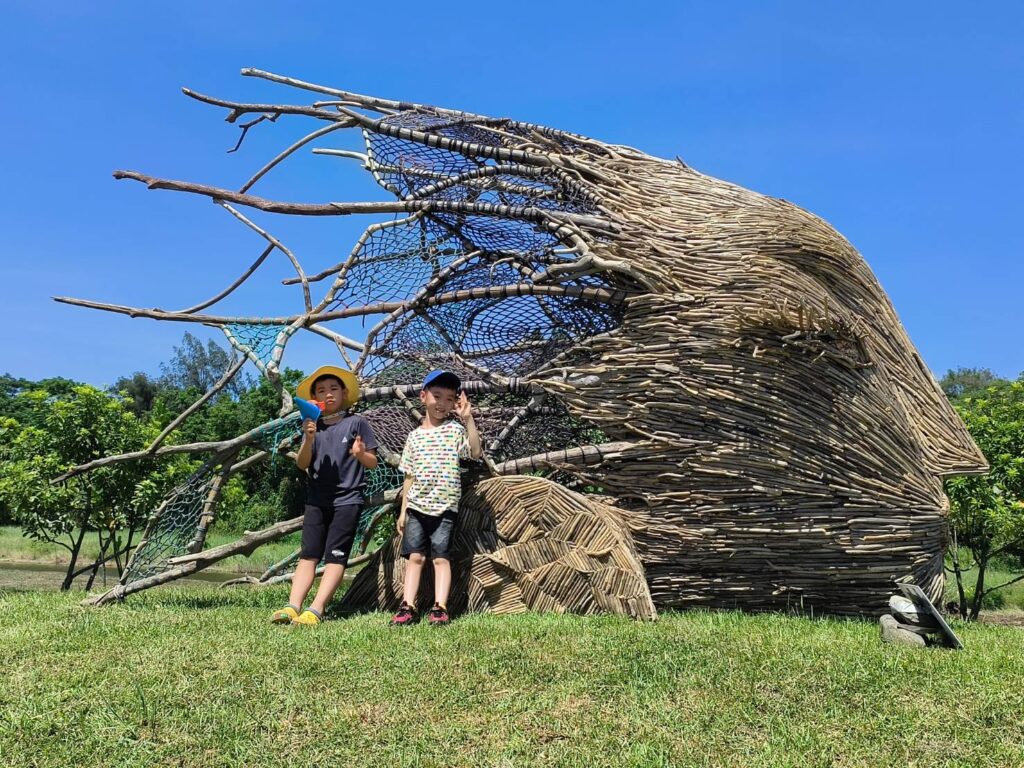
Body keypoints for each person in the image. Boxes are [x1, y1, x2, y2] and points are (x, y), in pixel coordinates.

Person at [270, 365, 378, 626]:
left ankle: (316, 609)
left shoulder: (357, 423)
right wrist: (308, 438)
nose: (328, 394)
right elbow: (302, 464)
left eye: (333, 389)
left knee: (336, 555)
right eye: (321, 390)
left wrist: (360, 454)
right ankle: (292, 605)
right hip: (317, 500)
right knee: (308, 554)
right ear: (314, 397)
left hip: (348, 499)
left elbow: (372, 462)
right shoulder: (312, 425)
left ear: (344, 393)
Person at [391, 370, 482, 626]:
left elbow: (475, 453)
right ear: (423, 396)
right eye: (437, 396)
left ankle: (439, 607)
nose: (442, 403)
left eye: (450, 399)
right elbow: (409, 476)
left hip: (445, 508)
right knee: (415, 558)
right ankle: (407, 605)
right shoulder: (414, 437)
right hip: (417, 507)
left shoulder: (454, 430)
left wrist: (468, 420)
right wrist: (402, 510)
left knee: (441, 557)